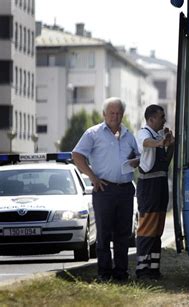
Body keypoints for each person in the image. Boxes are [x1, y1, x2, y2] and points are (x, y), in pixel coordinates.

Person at [72, 97, 139, 282]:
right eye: (111, 113)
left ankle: (121, 273)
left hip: (126, 190)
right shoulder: (93, 133)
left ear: (122, 115)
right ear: (104, 114)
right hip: (104, 190)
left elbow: (139, 157)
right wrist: (92, 177)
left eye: (118, 113)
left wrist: (137, 161)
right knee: (104, 233)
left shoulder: (129, 135)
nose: (115, 116)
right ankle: (104, 273)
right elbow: (77, 155)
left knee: (123, 235)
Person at [135, 104, 174, 280]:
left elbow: (165, 162)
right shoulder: (144, 132)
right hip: (149, 188)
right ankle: (142, 269)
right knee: (147, 229)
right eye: (161, 117)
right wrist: (160, 142)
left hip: (160, 187)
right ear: (151, 119)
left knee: (157, 230)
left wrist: (170, 143)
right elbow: (145, 143)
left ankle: (153, 269)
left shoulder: (159, 135)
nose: (164, 120)